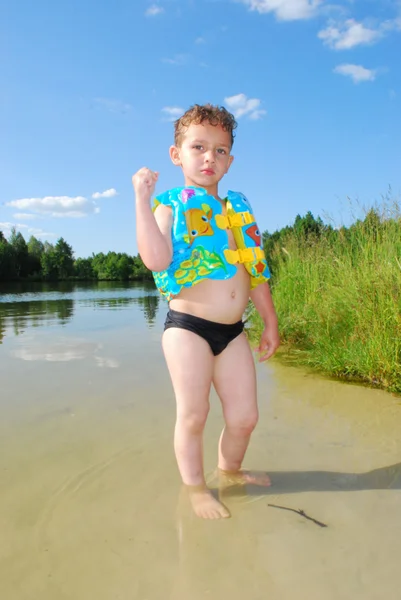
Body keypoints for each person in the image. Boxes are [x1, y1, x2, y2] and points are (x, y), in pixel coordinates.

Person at [133, 104, 280, 519]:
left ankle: (229, 471)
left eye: (220, 150)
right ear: (176, 154)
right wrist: (142, 201)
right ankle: (196, 488)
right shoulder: (171, 205)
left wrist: (269, 320)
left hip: (233, 332)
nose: (209, 158)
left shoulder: (237, 212)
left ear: (230, 161)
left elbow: (256, 271)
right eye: (198, 147)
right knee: (195, 413)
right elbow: (157, 260)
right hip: (188, 328)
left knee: (245, 417)